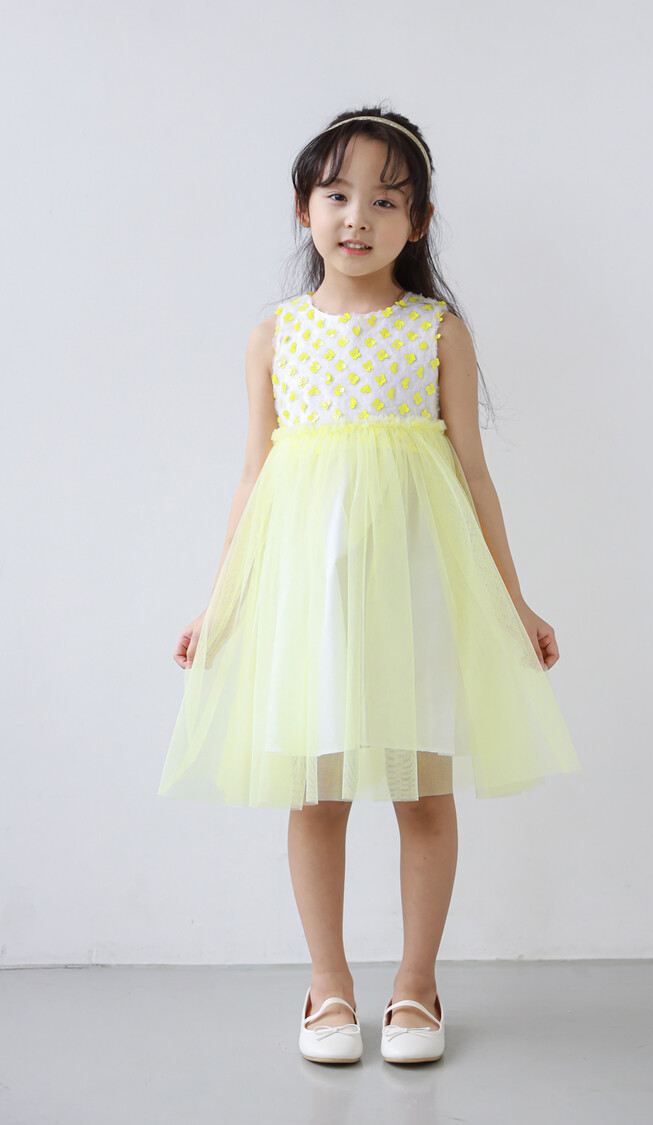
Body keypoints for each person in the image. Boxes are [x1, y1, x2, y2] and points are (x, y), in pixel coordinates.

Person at [157, 104, 581, 1064]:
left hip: (416, 595)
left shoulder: (437, 332)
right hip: (311, 600)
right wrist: (220, 601)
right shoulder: (275, 336)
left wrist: (513, 601)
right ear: (303, 208)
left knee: (422, 790)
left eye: (386, 201)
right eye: (337, 194)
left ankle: (417, 985)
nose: (358, 217)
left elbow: (474, 476)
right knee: (317, 794)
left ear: (417, 221)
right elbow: (254, 476)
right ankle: (328, 985)